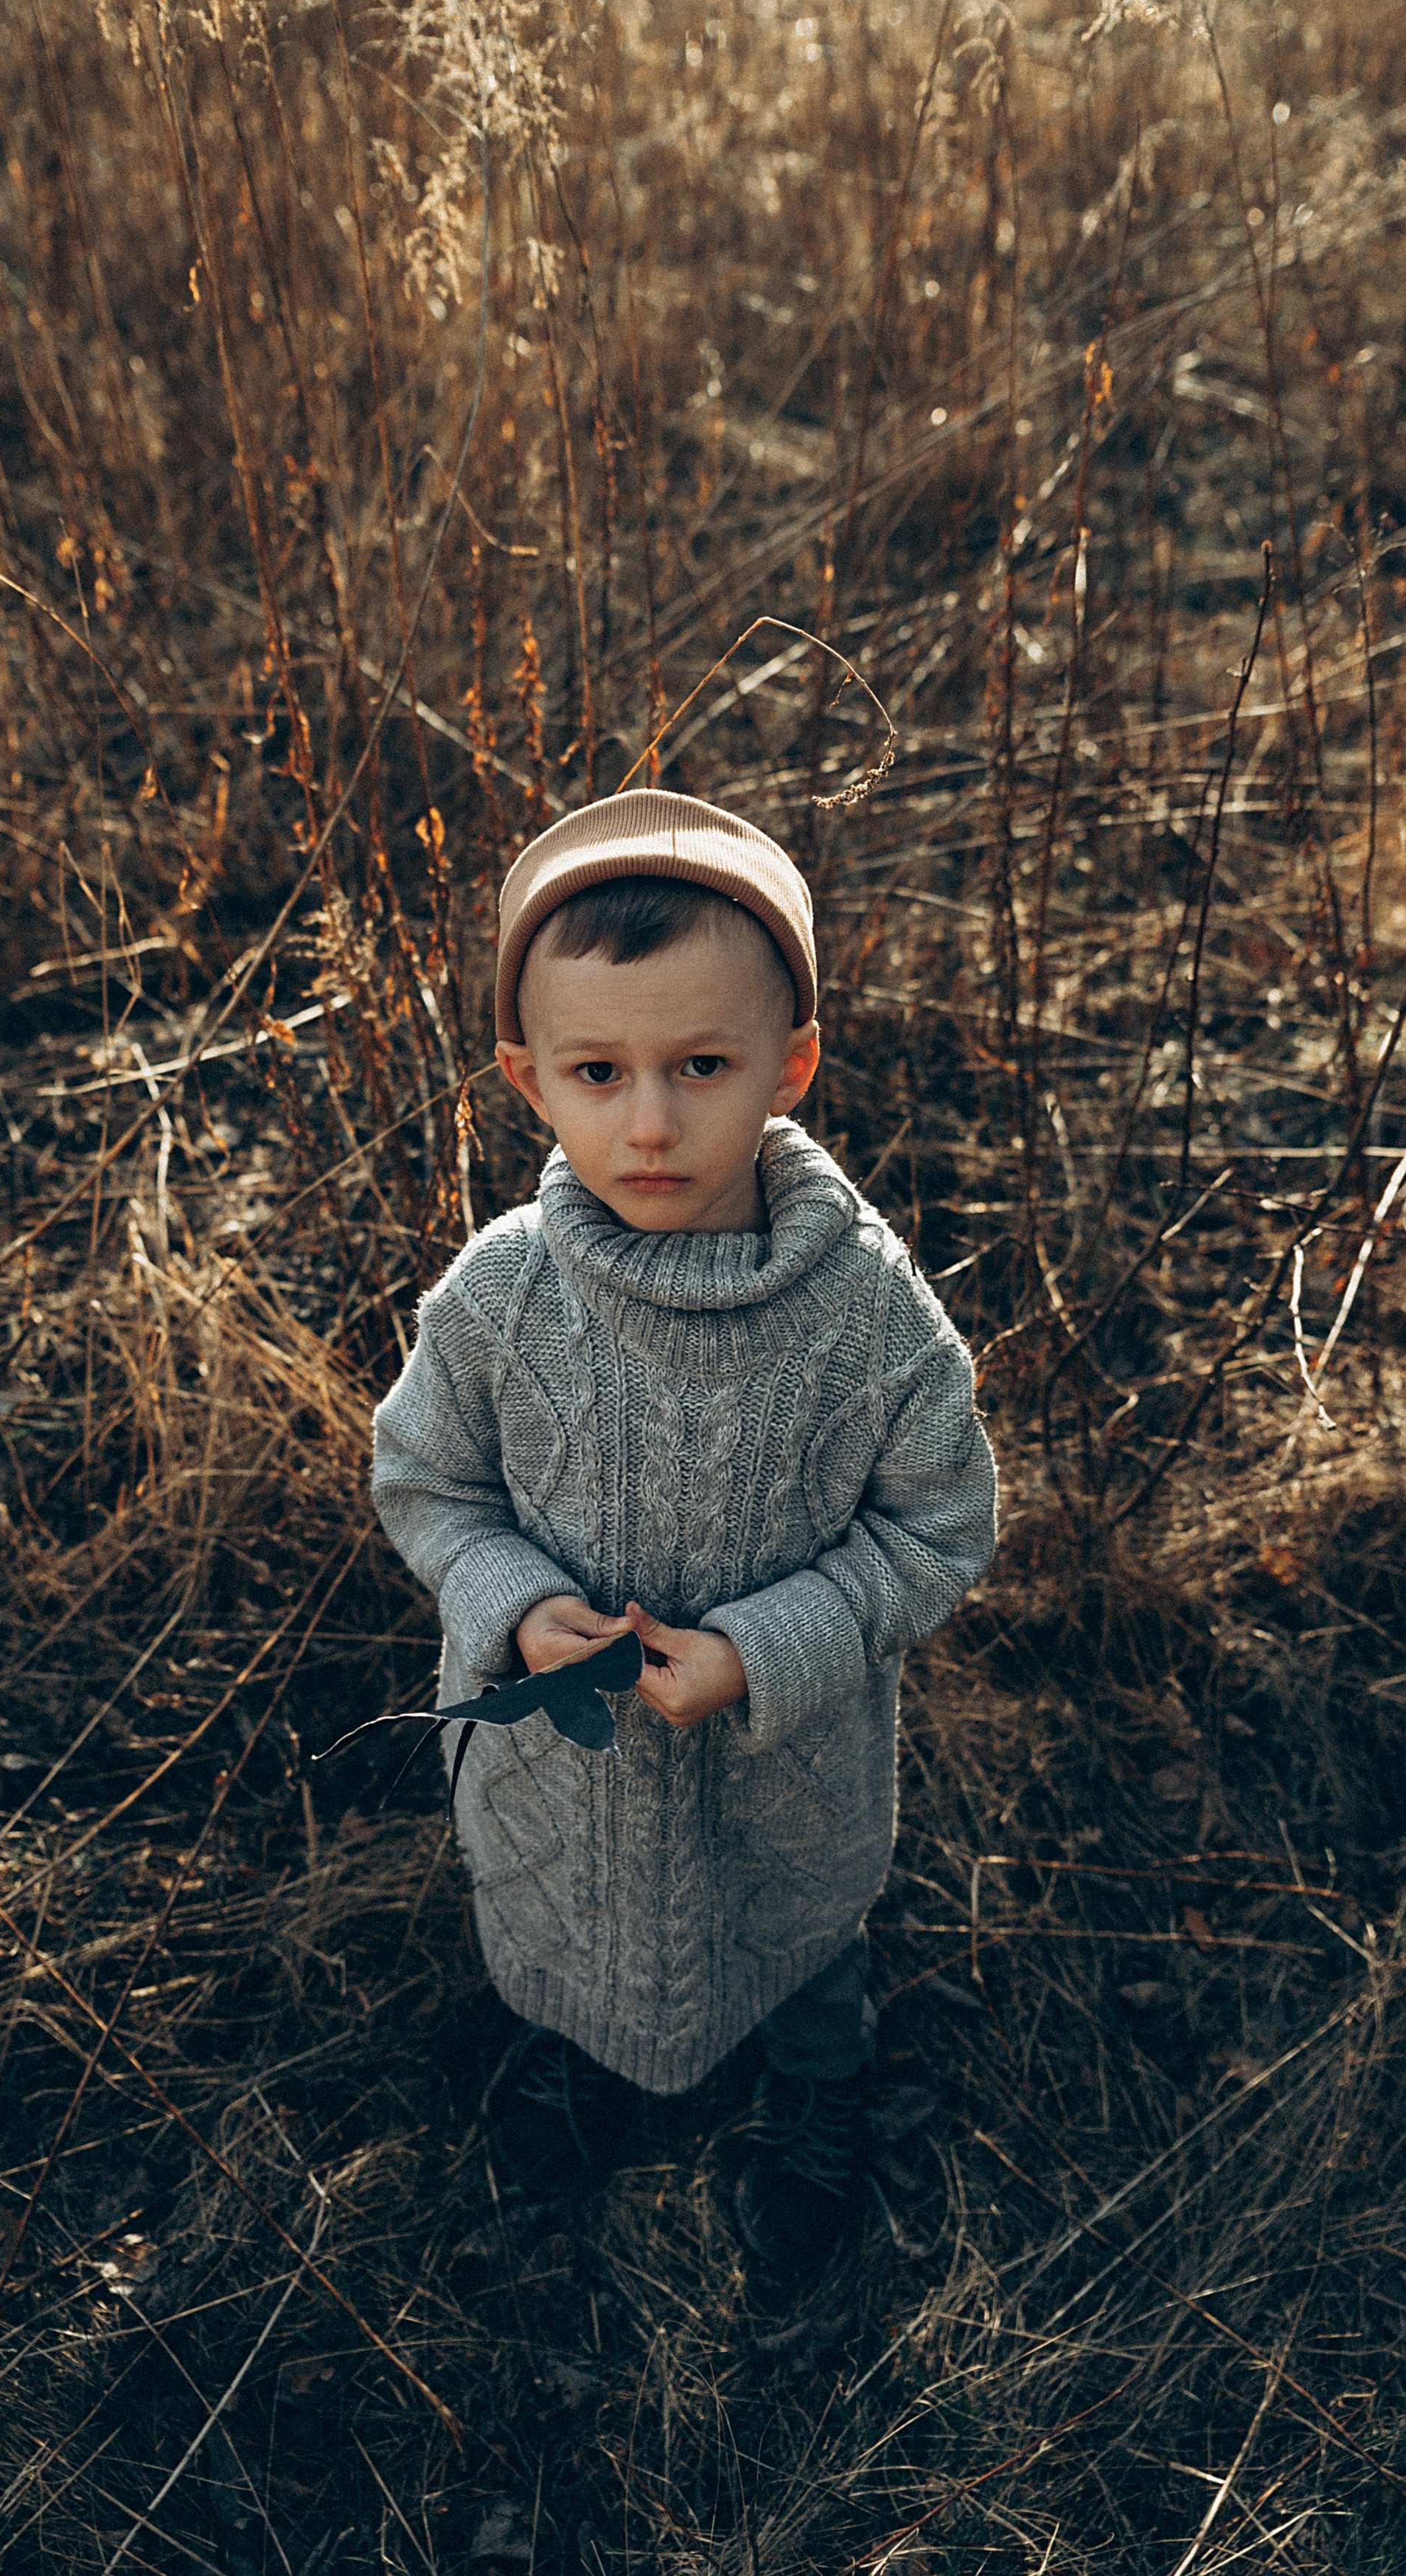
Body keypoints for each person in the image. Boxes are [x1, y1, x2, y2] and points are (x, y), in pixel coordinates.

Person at [369, 791, 998, 2272]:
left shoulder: (863, 1311)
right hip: (556, 1760)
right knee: (554, 1932)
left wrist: (761, 1648)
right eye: (599, 1071)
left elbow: (935, 1531)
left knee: (800, 1948)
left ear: (790, 1066)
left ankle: (815, 2098)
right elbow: (427, 1486)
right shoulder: (497, 1297)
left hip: (786, 1765)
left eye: (701, 1066)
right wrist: (516, 1606)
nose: (648, 1122)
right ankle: (573, 2064)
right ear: (530, 1080)